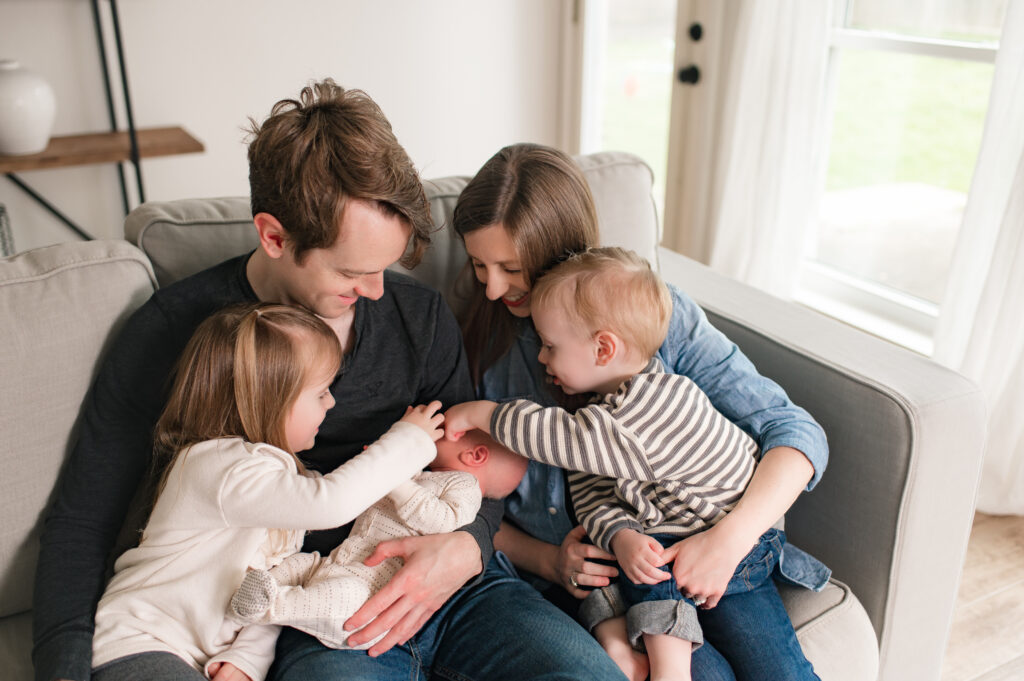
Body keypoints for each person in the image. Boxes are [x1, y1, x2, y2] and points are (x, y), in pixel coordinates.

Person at [33, 83, 626, 681]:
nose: (376, 293)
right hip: (319, 609)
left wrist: (468, 547)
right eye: (353, 271)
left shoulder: (417, 317)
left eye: (386, 268)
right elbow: (83, 524)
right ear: (274, 236)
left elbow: (478, 464)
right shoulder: (177, 333)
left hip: (458, 583)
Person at [451, 143, 831, 681]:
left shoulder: (651, 317)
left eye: (511, 268)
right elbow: (452, 491)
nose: (490, 288)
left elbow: (792, 430)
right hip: (596, 587)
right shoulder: (477, 343)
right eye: (477, 265)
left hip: (704, 551)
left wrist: (729, 539)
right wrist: (546, 559)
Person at [90, 303, 445, 681]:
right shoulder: (217, 467)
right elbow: (333, 503)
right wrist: (410, 440)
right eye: (322, 392)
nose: (332, 402)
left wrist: (244, 663)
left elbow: (269, 593)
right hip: (140, 639)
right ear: (273, 403)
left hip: (199, 656)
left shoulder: (279, 481)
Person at [229, 430, 529, 652]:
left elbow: (442, 520)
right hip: (339, 560)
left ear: (475, 455)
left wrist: (393, 479)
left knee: (341, 595)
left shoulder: (465, 486)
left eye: (449, 429)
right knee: (300, 564)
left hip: (366, 596)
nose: (439, 428)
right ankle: (259, 585)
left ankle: (273, 607)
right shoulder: (426, 475)